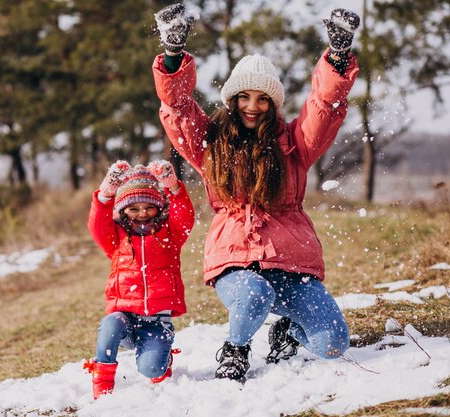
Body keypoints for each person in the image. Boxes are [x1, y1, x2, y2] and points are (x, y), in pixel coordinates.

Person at [152, 4, 361, 381]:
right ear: (233, 99)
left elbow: (325, 107)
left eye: (263, 99)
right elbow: (178, 106)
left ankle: (287, 331)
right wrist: (172, 53)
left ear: (272, 103)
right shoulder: (210, 144)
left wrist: (338, 56)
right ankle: (236, 350)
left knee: (332, 342)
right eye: (245, 97)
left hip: (290, 265)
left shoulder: (295, 145)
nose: (253, 106)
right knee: (253, 294)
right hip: (235, 263)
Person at [84, 160, 195, 399]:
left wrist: (173, 186)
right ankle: (102, 384)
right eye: (134, 209)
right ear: (123, 210)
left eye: (149, 207)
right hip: (124, 317)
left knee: (151, 368)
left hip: (156, 322)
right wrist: (106, 193)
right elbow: (95, 225)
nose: (142, 213)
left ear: (159, 207)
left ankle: (161, 357)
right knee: (110, 323)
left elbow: (184, 216)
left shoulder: (170, 235)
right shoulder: (116, 238)